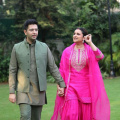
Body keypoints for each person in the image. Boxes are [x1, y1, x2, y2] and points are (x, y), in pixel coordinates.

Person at [8, 19, 66, 120]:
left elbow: (52, 67)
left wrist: (61, 84)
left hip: (38, 90)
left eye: (36, 30)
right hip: (23, 89)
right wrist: (11, 91)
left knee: (36, 118)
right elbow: (12, 70)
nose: (34, 32)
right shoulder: (16, 48)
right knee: (25, 116)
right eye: (31, 30)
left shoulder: (44, 47)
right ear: (25, 32)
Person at [51, 28, 110, 120]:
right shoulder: (67, 51)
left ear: (83, 37)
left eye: (78, 34)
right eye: (74, 33)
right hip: (70, 87)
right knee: (72, 113)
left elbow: (100, 56)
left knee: (85, 115)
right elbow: (62, 70)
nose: (75, 35)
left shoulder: (89, 50)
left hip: (86, 87)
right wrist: (60, 86)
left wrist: (90, 42)